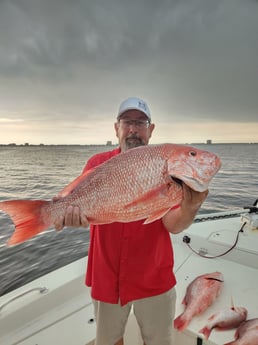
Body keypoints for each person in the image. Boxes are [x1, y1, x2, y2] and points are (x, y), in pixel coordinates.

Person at [54, 97, 208, 345]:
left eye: (140, 122)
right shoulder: (96, 163)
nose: (133, 129)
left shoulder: (171, 172)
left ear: (151, 129)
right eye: (127, 122)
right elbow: (77, 204)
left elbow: (173, 225)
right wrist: (70, 215)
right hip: (107, 277)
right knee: (109, 341)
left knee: (158, 341)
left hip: (154, 278)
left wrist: (191, 206)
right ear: (116, 128)